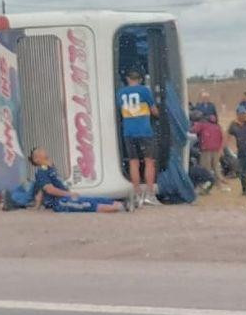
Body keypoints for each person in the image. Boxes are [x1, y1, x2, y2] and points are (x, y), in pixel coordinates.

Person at [30, 147, 125, 213]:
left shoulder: (50, 169)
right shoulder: (42, 171)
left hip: (66, 197)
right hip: (59, 202)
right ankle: (117, 208)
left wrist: (37, 205)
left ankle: (122, 204)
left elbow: (41, 189)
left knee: (95, 199)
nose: (44, 151)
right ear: (37, 159)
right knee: (87, 204)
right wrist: (68, 194)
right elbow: (49, 189)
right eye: (40, 151)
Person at [117, 70, 160, 207]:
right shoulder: (145, 91)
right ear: (140, 79)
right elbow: (154, 111)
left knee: (133, 162)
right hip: (144, 131)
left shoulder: (120, 93)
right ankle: (150, 194)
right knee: (149, 162)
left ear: (127, 79)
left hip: (128, 132)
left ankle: (136, 194)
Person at [190, 114, 229, 190]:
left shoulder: (203, 125)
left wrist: (193, 126)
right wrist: (221, 149)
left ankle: (205, 184)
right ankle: (219, 184)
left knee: (205, 168)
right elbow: (223, 137)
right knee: (216, 167)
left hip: (206, 149)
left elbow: (193, 130)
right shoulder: (218, 127)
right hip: (216, 149)